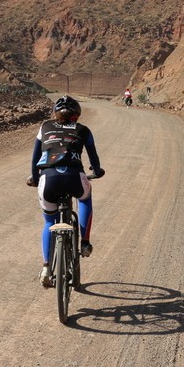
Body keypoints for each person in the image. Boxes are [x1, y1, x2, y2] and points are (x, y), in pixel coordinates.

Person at [26, 95, 106, 287]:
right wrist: (96, 171)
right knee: (85, 198)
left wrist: (35, 179)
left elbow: (36, 156)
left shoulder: (44, 127)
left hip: (48, 180)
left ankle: (46, 267)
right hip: (74, 178)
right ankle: (85, 243)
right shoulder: (84, 130)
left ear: (55, 113)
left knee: (48, 222)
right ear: (76, 115)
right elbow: (93, 157)